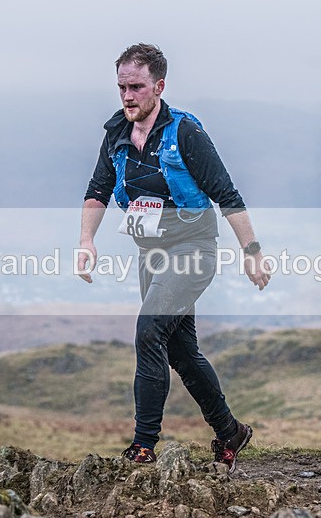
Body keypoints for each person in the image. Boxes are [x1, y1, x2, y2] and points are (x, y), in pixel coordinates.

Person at [78, 43, 270, 473]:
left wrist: (252, 251)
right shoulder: (116, 135)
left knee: (149, 332)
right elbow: (97, 189)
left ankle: (143, 445)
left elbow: (227, 194)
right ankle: (230, 431)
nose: (128, 96)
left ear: (159, 86)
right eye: (122, 87)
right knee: (180, 353)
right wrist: (86, 241)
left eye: (137, 87)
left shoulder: (185, 132)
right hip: (152, 256)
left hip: (193, 251)